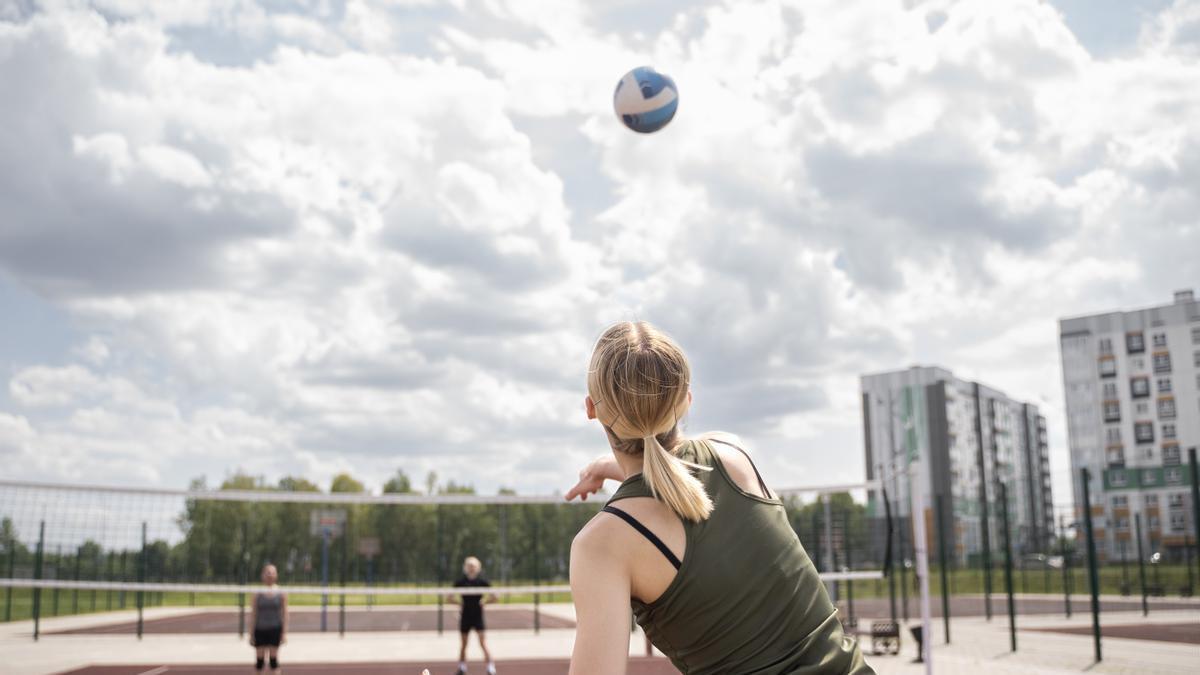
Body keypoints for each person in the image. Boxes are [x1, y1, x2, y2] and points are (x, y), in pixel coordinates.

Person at [565, 321, 873, 675]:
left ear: (591, 409)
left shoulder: (602, 545)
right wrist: (607, 467)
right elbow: (674, 471)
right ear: (685, 401)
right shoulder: (732, 454)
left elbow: (664, 475)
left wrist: (606, 465)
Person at [450, 556, 498, 675]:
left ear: (478, 567)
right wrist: (460, 604)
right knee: (464, 644)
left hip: (477, 615)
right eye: (469, 566)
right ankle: (462, 667)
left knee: (482, 642)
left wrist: (484, 603)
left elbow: (495, 597)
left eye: (474, 566)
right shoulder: (460, 582)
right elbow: (449, 597)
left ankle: (490, 667)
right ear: (466, 567)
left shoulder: (482, 582)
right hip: (465, 615)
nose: (471, 568)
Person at [250, 564, 287, 673]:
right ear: (263, 575)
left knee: (273, 661)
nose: (270, 575)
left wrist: (284, 633)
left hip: (275, 629)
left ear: (276, 575)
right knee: (259, 662)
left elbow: (285, 613)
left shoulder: (281, 592)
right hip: (260, 629)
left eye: (272, 572)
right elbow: (253, 614)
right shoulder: (257, 593)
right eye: (267, 572)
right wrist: (251, 633)